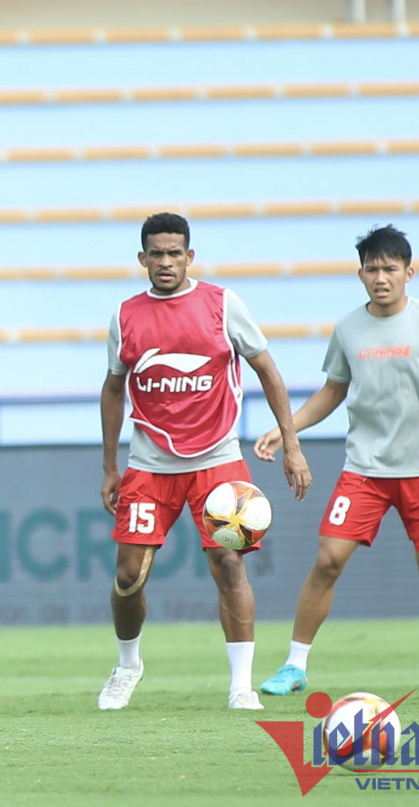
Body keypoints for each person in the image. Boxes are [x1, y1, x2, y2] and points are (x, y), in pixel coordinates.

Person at [98, 212, 312, 711]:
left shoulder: (222, 304)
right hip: (150, 463)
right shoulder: (126, 316)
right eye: (157, 253)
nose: (166, 262)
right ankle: (128, 665)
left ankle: (241, 685)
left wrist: (292, 444)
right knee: (128, 575)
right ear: (142, 258)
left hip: (217, 458)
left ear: (190, 256)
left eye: (175, 253)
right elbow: (113, 388)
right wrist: (110, 465)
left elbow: (267, 369)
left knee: (228, 562)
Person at [258, 225, 419, 696]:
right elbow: (333, 391)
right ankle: (295, 666)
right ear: (360, 274)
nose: (381, 277)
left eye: (390, 269)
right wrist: (287, 429)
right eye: (372, 269)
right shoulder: (348, 328)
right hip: (364, 470)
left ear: (408, 273)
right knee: (327, 561)